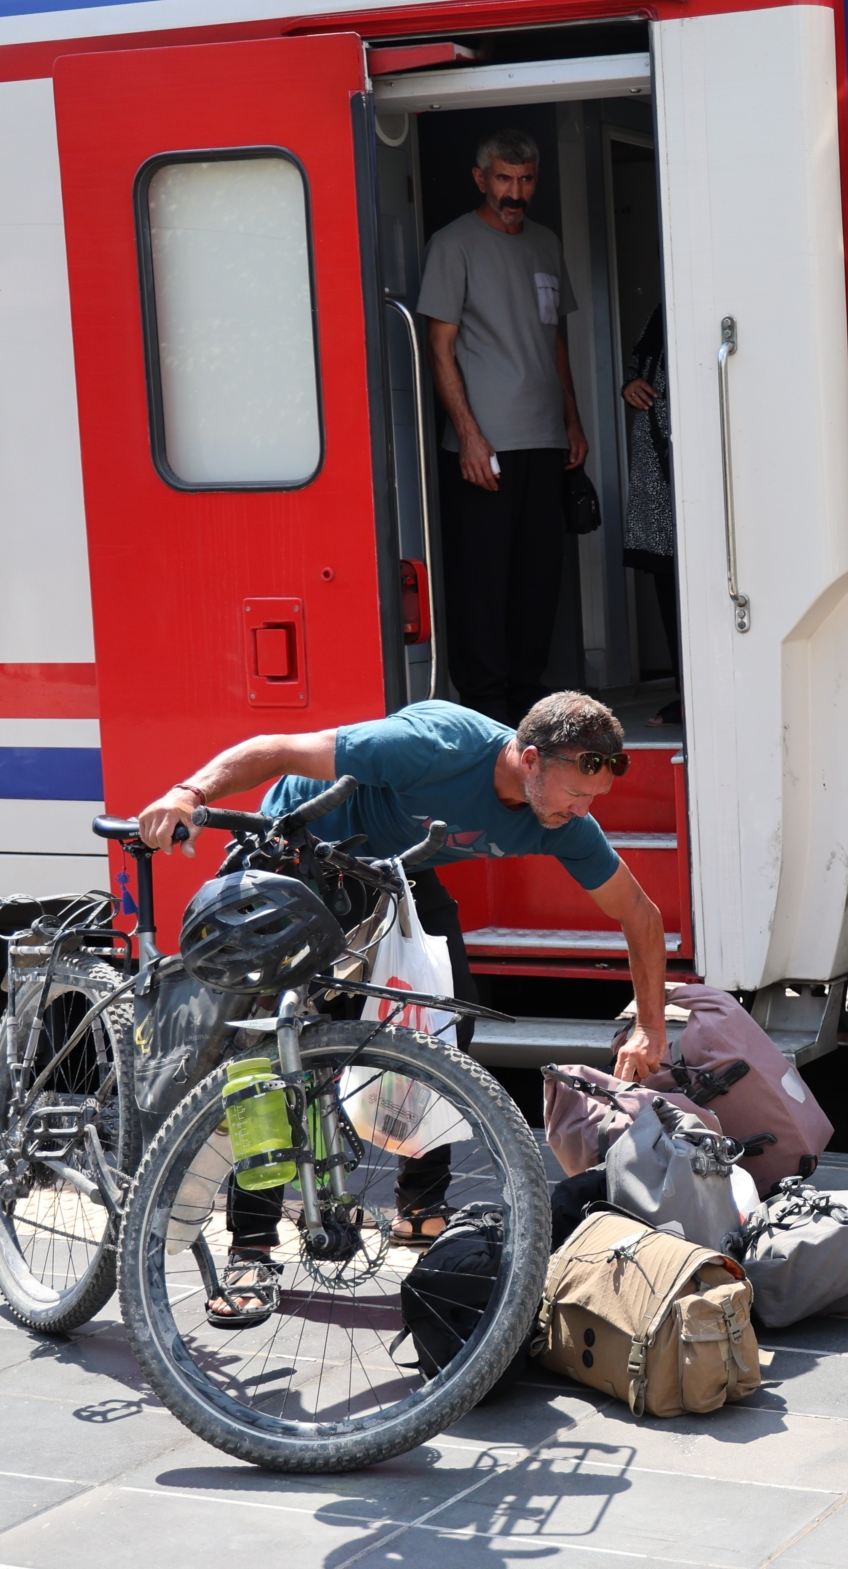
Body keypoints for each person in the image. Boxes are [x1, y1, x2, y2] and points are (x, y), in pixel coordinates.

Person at [136, 693, 672, 1323]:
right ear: (530, 760)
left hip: (393, 870)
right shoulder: (434, 748)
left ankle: (420, 1209)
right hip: (300, 847)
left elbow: (640, 914)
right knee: (271, 1051)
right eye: (577, 796)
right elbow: (275, 749)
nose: (584, 812)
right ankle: (251, 1244)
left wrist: (648, 1025)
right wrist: (187, 795)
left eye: (594, 799)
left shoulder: (561, 820)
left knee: (443, 1024)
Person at [421, 127, 589, 726]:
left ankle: (528, 700)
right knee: (484, 581)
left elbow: (554, 340)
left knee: (538, 579)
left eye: (525, 180)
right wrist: (467, 433)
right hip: (483, 445)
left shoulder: (544, 243)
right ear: (480, 179)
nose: (515, 192)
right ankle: (486, 706)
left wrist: (571, 418)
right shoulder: (453, 244)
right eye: (503, 179)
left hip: (544, 439)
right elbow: (439, 347)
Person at [619, 304, 682, 725]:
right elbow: (637, 369)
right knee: (668, 582)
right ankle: (685, 693)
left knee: (699, 586)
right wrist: (630, 386)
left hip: (692, 474)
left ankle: (698, 693)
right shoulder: (659, 310)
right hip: (657, 475)